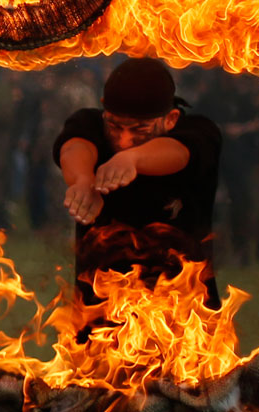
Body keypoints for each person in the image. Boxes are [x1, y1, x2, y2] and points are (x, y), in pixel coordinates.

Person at [53, 58, 223, 316]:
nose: (124, 139)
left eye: (139, 129)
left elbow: (180, 152)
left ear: (171, 119)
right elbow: (75, 145)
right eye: (115, 126)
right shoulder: (89, 123)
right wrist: (82, 180)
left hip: (182, 311)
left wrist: (132, 159)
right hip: (101, 310)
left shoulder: (198, 131)